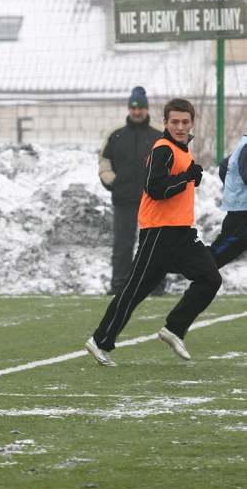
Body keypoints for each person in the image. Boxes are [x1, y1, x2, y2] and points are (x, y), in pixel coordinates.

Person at [86, 98, 222, 366]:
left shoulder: (181, 150)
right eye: (175, 122)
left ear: (192, 123)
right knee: (134, 290)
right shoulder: (163, 149)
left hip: (182, 233)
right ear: (165, 123)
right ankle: (100, 341)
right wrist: (186, 177)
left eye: (185, 122)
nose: (180, 127)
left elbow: (176, 183)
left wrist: (189, 176)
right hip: (159, 233)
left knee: (210, 279)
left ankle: (174, 329)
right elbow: (155, 189)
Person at [99, 86, 163, 295]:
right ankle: (120, 287)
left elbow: (171, 161)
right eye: (133, 108)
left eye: (140, 108)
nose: (137, 112)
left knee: (153, 245)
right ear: (129, 109)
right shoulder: (116, 134)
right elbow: (104, 160)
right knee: (122, 245)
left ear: (146, 109)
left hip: (152, 200)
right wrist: (112, 181)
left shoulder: (159, 135)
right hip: (124, 198)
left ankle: (154, 287)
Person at [209, 133, 247, 267]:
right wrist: (236, 193)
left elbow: (224, 167)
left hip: (240, 209)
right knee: (221, 251)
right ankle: (186, 267)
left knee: (224, 249)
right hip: (242, 212)